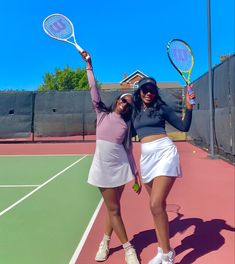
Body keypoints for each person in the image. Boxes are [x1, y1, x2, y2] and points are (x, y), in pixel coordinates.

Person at [81, 50, 142, 264]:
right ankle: (128, 248)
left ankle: (105, 242)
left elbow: (128, 152)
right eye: (122, 100)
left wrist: (136, 175)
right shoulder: (102, 115)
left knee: (112, 208)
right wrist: (89, 66)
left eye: (128, 104)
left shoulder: (126, 125)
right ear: (117, 100)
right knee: (114, 209)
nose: (124, 104)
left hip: (121, 168)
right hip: (103, 169)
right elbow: (93, 90)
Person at [132, 77, 195, 264]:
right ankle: (162, 249)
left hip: (165, 154)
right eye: (145, 89)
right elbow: (126, 134)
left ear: (155, 91)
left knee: (155, 204)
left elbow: (184, 126)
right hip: (146, 160)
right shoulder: (135, 112)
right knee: (156, 207)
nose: (148, 92)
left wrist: (189, 106)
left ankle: (167, 255)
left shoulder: (161, 108)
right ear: (139, 91)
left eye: (152, 89)